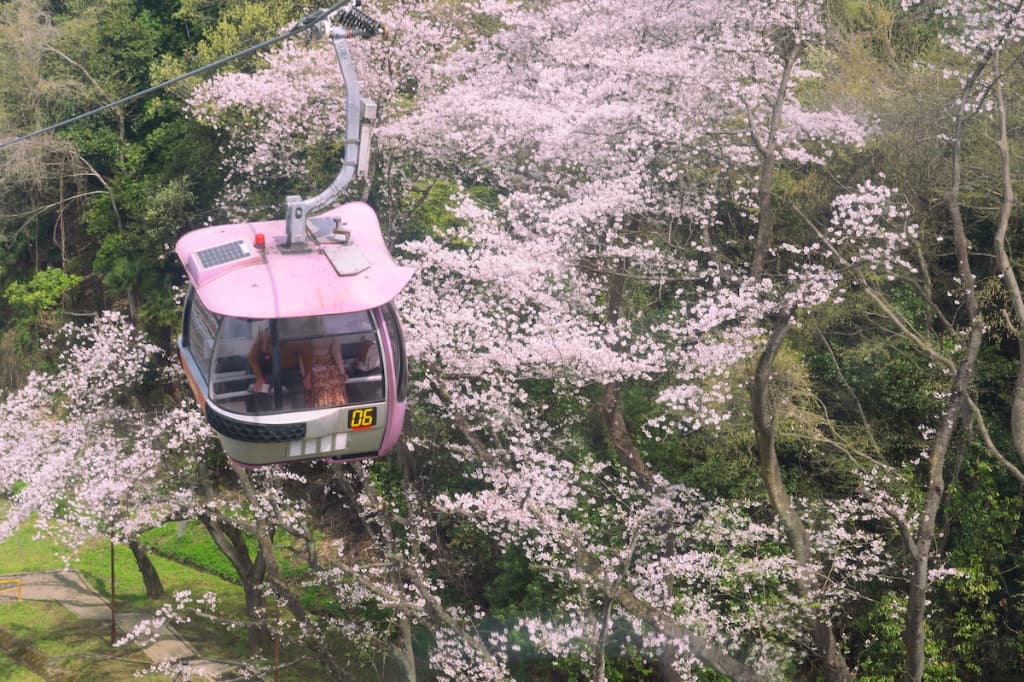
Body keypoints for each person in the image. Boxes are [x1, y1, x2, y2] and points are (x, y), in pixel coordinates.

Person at [304, 336, 348, 407]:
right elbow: (336, 353)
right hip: (328, 366)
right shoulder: (330, 330)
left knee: (318, 386)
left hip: (313, 367)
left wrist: (305, 374)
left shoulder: (306, 331)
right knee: (337, 384)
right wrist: (342, 372)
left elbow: (303, 355)